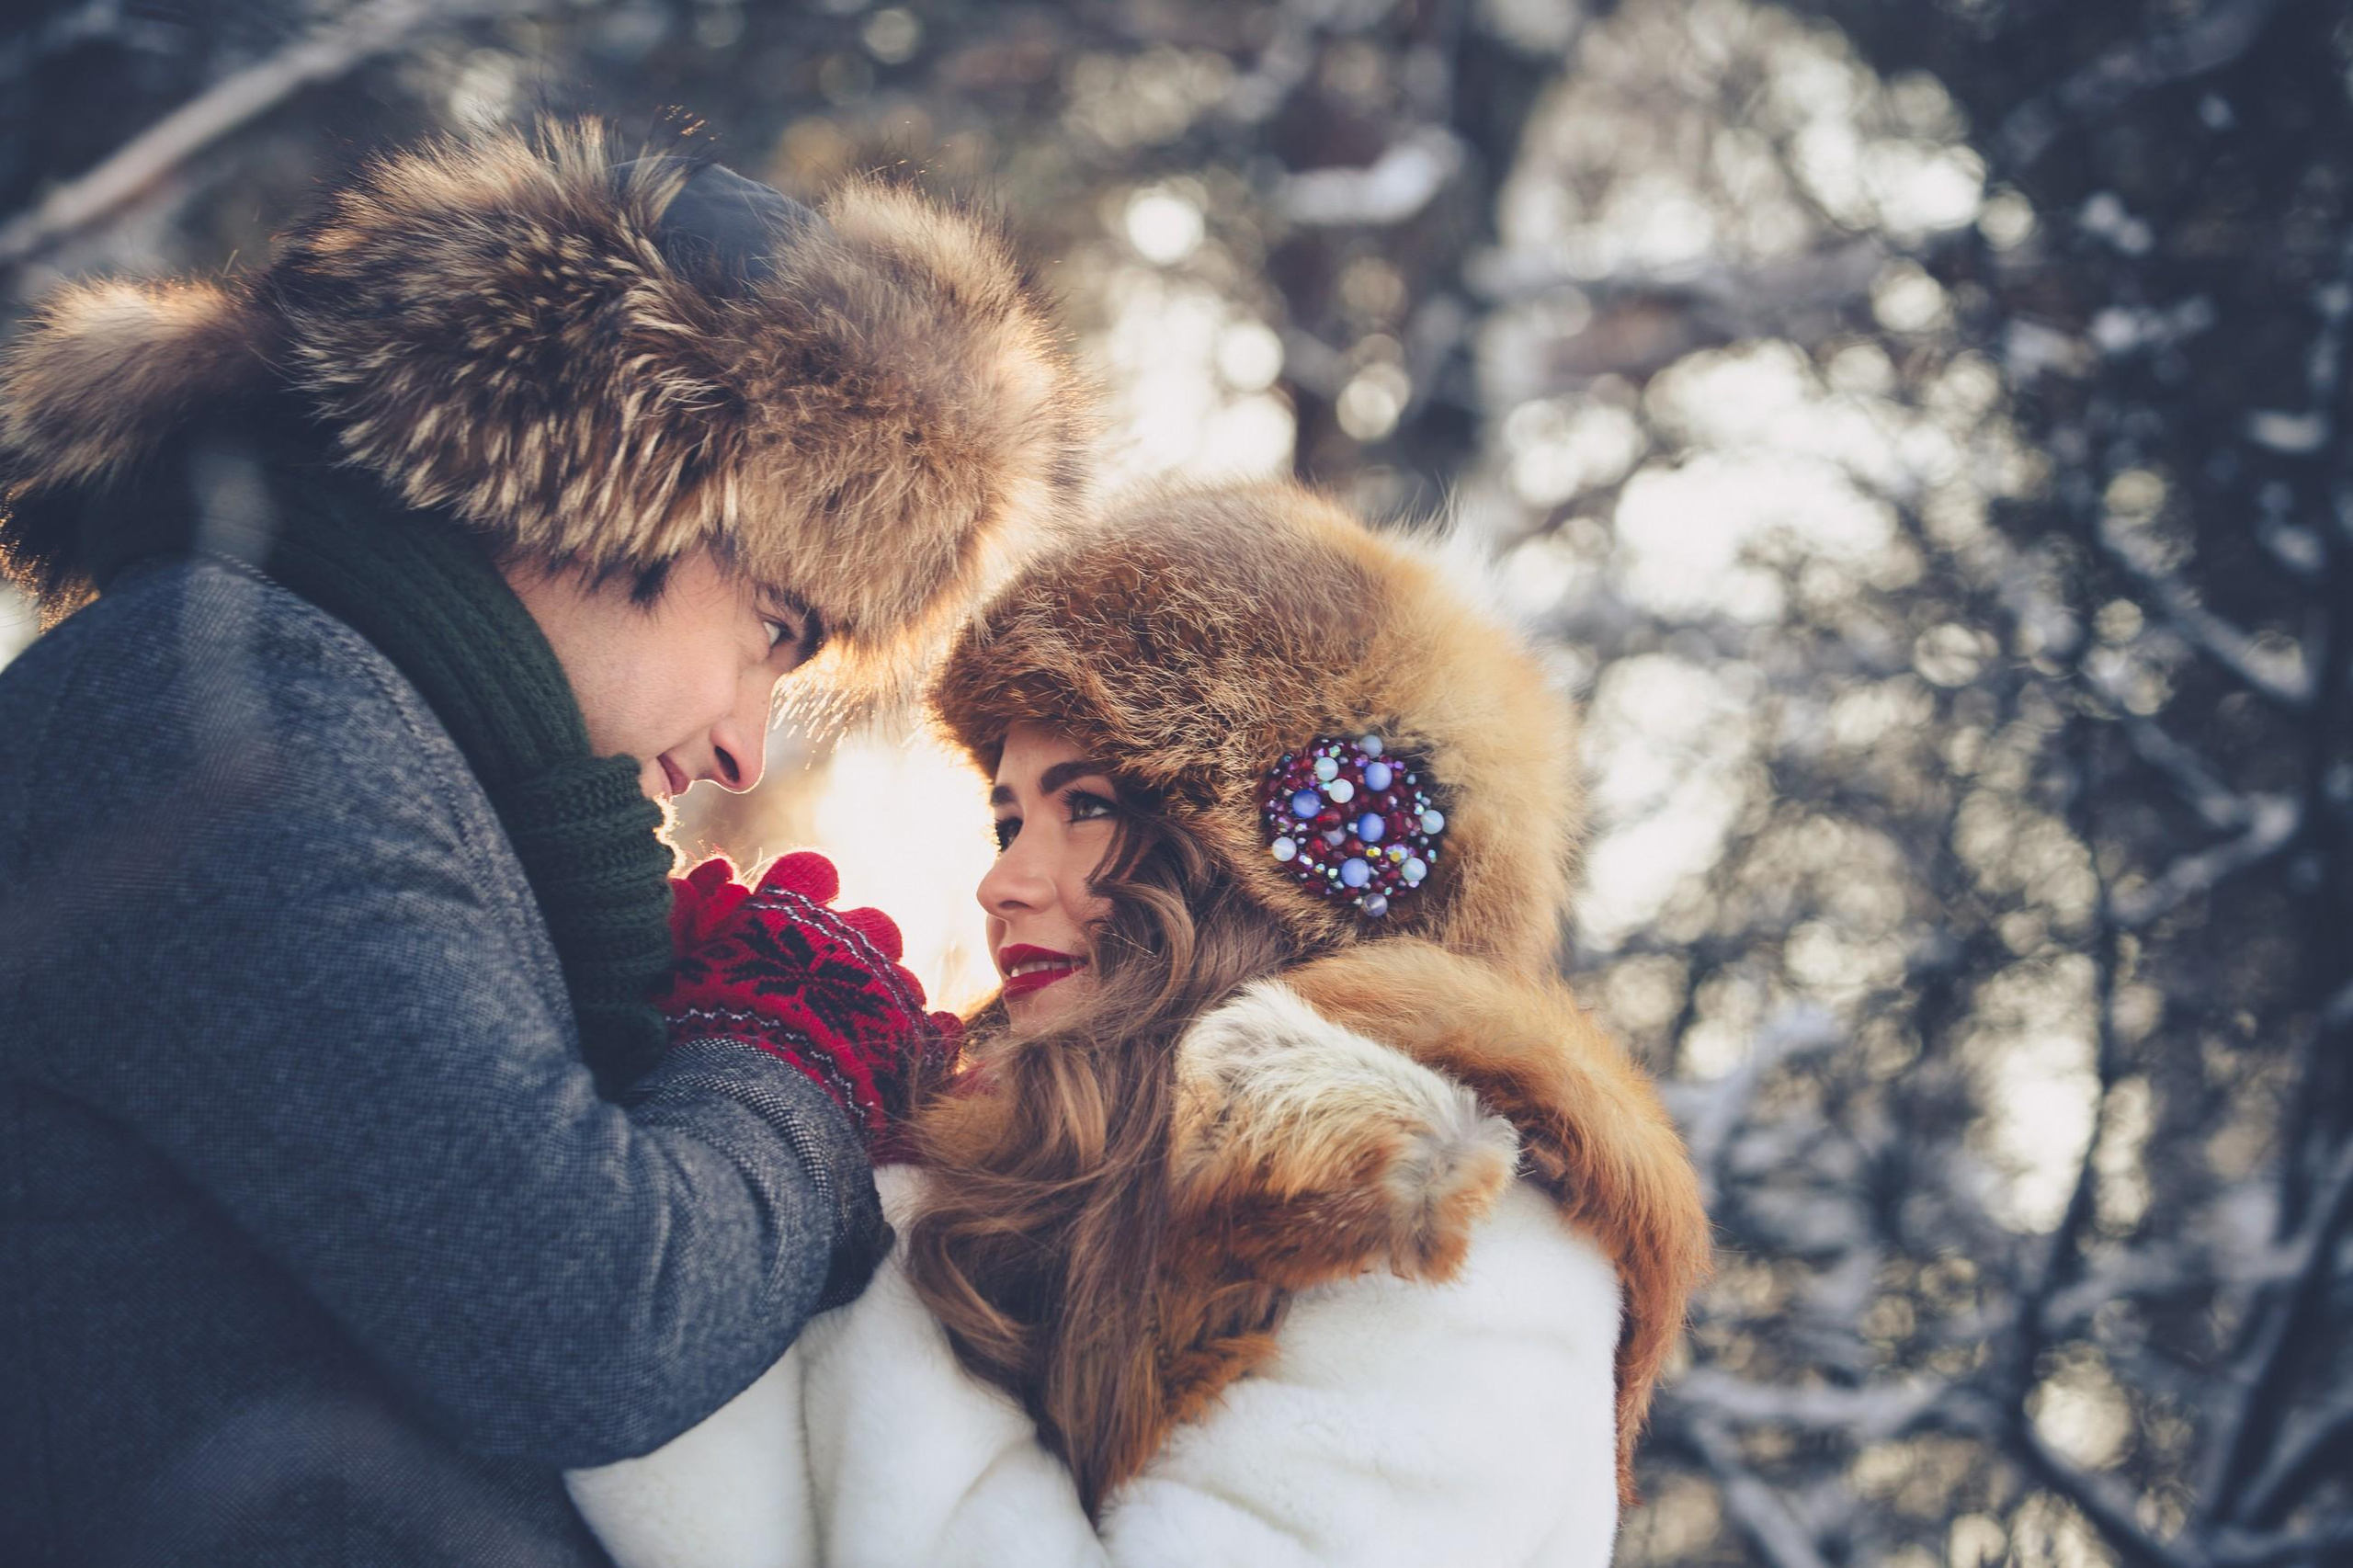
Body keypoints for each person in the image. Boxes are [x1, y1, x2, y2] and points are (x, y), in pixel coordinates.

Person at [0, 119, 1088, 1566]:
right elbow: (590, 1315)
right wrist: (789, 1055)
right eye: (773, 632)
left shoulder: (350, 715)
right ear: (625, 469)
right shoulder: (225, 714)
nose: (742, 747)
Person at [566, 480, 1713, 1568]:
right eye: (1008, 818)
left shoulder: (1451, 1236)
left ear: (1261, 863)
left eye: (1085, 805)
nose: (1003, 881)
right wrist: (736, 1133)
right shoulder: (1057, 1177)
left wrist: (853, 1251)